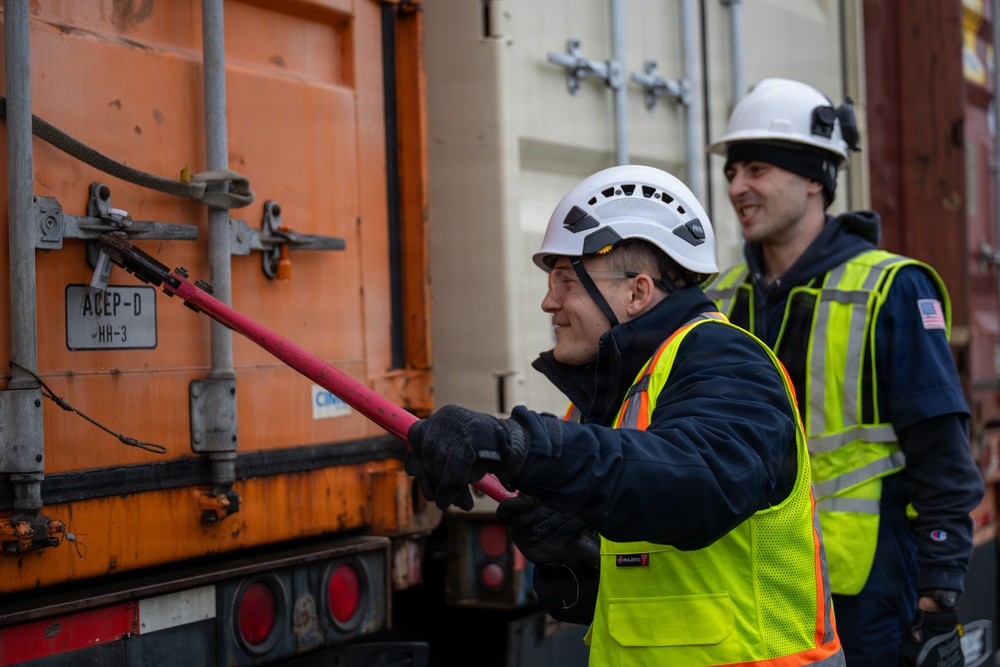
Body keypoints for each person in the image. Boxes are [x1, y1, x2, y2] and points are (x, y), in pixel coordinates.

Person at [405, 165, 845, 666]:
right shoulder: (610, 398)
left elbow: (694, 484)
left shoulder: (728, 361)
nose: (549, 302)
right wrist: (574, 554)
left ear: (637, 292)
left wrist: (523, 444)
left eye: (566, 281)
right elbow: (635, 587)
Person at [704, 78, 986, 667]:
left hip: (860, 592)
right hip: (745, 584)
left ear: (816, 178)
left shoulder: (889, 289)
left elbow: (940, 454)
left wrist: (940, 595)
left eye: (756, 169)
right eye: (732, 172)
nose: (737, 187)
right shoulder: (722, 296)